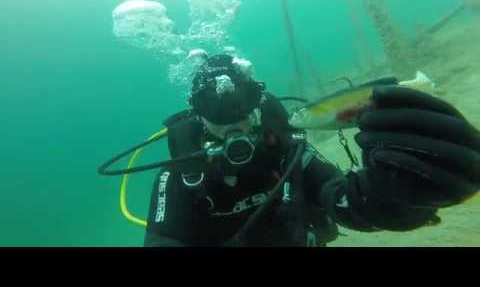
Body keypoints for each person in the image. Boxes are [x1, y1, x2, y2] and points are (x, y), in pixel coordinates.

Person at [143, 53, 480, 247]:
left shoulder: (286, 151)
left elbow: (342, 197)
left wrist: (399, 199)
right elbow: (160, 240)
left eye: (241, 103)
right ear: (197, 114)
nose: (233, 120)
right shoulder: (183, 175)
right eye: (214, 110)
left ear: (257, 102)